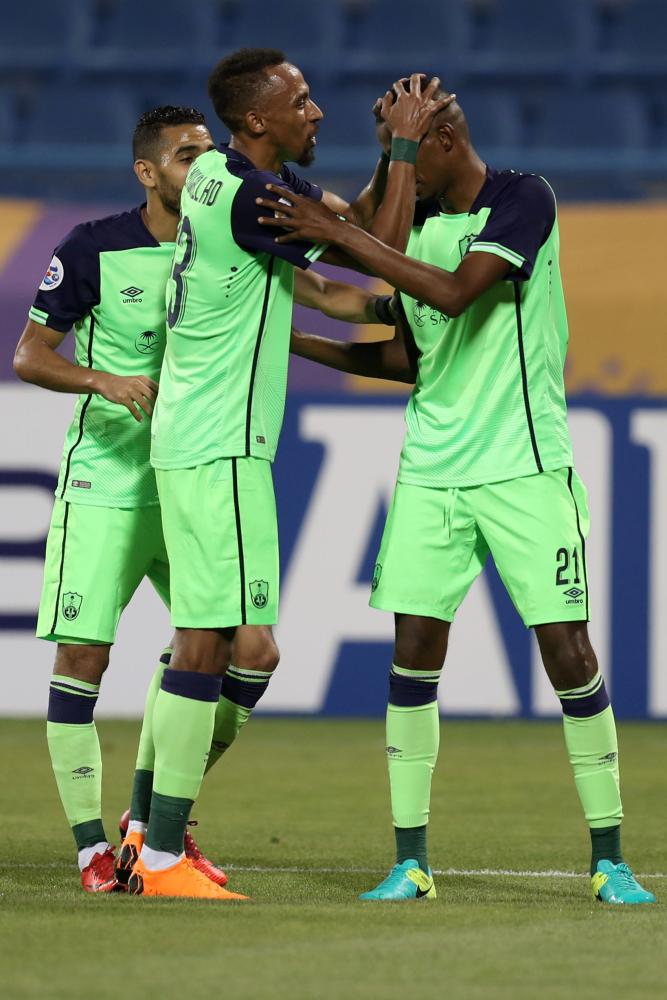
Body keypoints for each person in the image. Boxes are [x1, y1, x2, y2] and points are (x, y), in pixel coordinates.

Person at [259, 86, 656, 906]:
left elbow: (450, 294)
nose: (392, 163)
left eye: (399, 146)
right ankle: (410, 862)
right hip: (431, 471)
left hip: (523, 467)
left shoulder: (523, 199)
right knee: (411, 656)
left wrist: (338, 232)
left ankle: (609, 858)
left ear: (441, 139)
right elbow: (408, 357)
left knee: (568, 654)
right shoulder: (422, 231)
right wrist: (292, 339)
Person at [14, 104, 391, 896]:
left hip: (190, 474)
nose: (202, 167)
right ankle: (91, 848)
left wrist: (417, 303)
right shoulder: (93, 247)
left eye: (206, 152)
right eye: (184, 156)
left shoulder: (239, 232)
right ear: (147, 172)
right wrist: (102, 380)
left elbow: (334, 278)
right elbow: (30, 356)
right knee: (85, 656)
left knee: (248, 651)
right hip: (111, 483)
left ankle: (149, 819)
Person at [131, 48, 450, 899]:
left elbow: (345, 244)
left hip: (197, 438)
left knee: (225, 641)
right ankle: (160, 853)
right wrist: (408, 147)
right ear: (256, 122)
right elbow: (379, 248)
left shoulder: (224, 181)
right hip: (220, 442)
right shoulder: (252, 196)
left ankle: (145, 832)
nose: (316, 112)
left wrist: (387, 154)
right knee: (215, 641)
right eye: (300, 101)